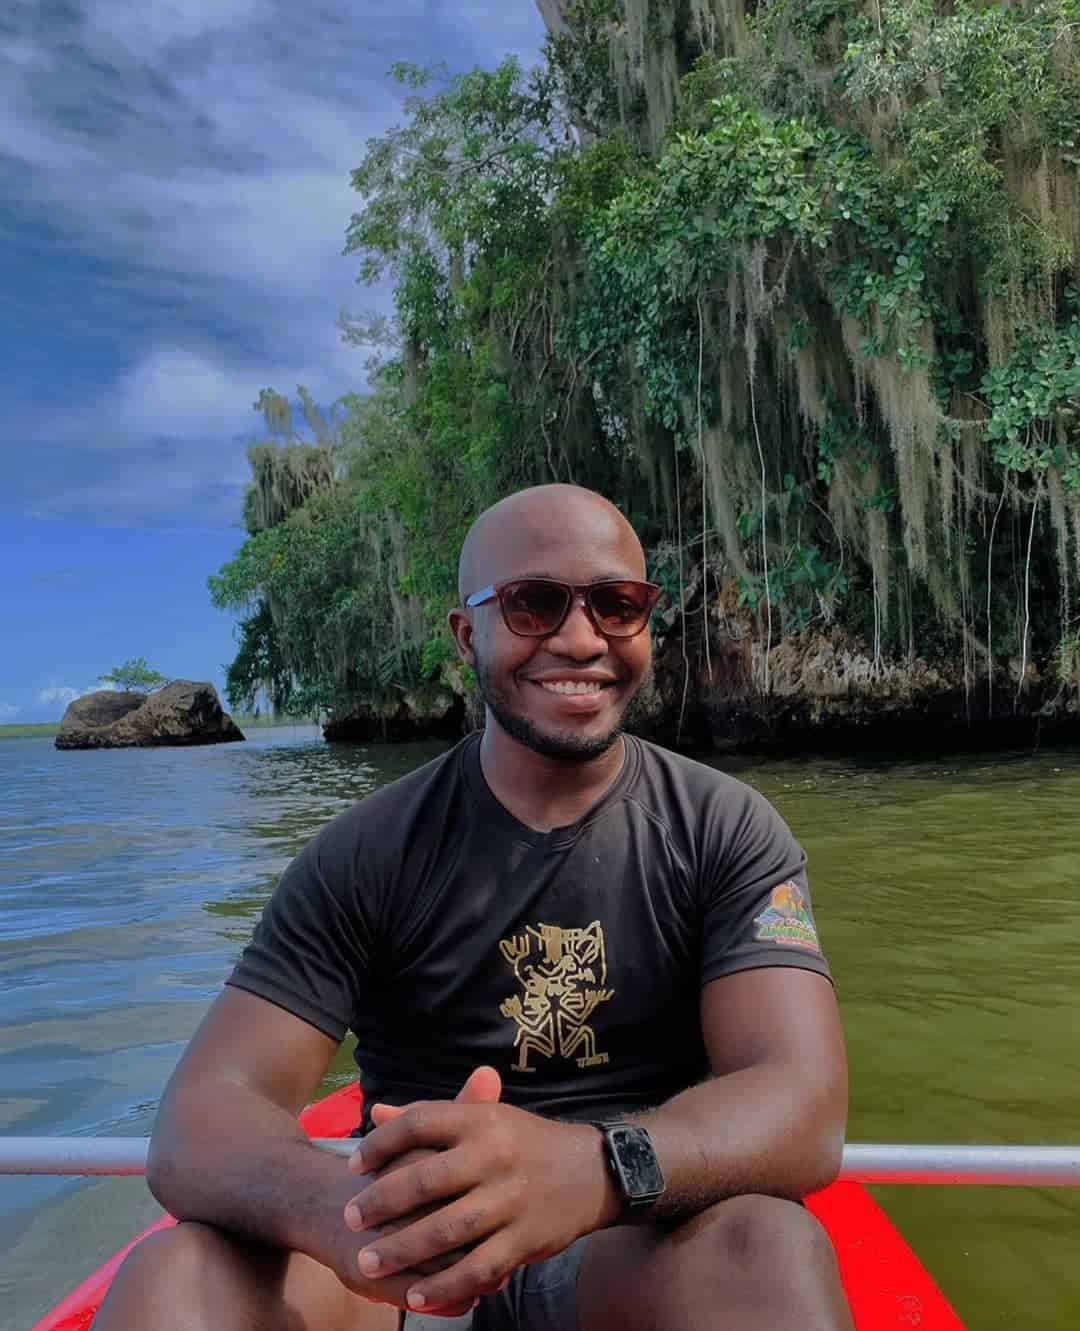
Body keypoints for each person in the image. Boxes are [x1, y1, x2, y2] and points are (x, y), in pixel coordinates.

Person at [94, 484, 852, 1331]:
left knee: (771, 1250)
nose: (581, 638)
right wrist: (344, 1214)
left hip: (629, 1247)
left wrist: (595, 1167)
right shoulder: (367, 851)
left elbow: (802, 1097)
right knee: (177, 1276)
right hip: (402, 1263)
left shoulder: (725, 829)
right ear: (467, 634)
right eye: (533, 603)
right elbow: (200, 1115)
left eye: (616, 604)